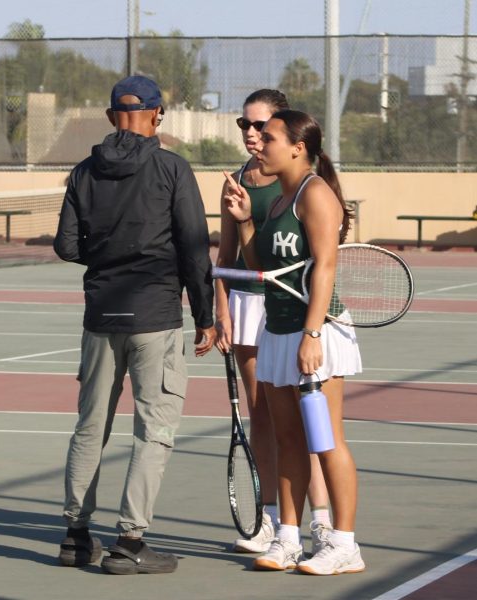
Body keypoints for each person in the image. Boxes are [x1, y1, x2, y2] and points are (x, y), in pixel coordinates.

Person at [53, 75, 216, 575]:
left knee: (90, 427)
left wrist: (105, 258)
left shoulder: (84, 172)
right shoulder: (172, 168)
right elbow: (193, 247)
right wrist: (205, 316)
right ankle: (130, 541)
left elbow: (66, 245)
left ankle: (76, 536)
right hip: (155, 316)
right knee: (154, 430)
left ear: (109, 117)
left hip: (101, 316)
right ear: (157, 115)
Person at [223, 109, 365, 575]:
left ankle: (344, 543)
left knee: (325, 441)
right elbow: (262, 268)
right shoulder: (281, 199)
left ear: (297, 148)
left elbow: (325, 266)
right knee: (287, 439)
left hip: (315, 335)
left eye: (268, 138)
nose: (258, 144)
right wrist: (245, 221)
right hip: (278, 329)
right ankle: (288, 538)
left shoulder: (315, 194)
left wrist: (313, 333)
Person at [215, 90, 332, 555]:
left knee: (307, 422)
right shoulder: (239, 178)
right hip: (249, 307)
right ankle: (271, 521)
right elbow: (230, 254)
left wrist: (314, 329)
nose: (251, 135)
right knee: (265, 414)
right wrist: (219, 310)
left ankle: (322, 522)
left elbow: (321, 257)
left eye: (261, 127)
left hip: (294, 309)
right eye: (244, 125)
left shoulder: (305, 183)